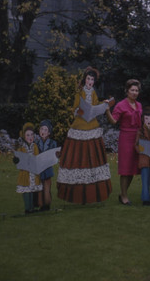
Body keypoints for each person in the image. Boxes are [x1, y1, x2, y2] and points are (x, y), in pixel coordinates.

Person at [57, 67, 112, 204]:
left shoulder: (93, 93)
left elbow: (95, 106)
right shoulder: (79, 93)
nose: (90, 81)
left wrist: (103, 105)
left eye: (92, 79)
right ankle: (74, 193)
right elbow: (74, 109)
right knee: (77, 156)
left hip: (92, 126)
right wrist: (79, 111)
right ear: (84, 79)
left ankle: (94, 192)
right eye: (88, 79)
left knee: (93, 156)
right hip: (79, 126)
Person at [106, 79, 142, 206]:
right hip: (126, 137)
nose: (134, 92)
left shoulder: (139, 105)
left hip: (137, 138)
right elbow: (114, 121)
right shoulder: (121, 105)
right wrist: (107, 111)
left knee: (133, 168)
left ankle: (123, 193)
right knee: (125, 168)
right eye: (132, 90)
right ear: (127, 91)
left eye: (136, 90)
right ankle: (124, 195)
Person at [15, 122, 43, 214]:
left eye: (31, 135)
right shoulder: (22, 148)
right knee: (26, 191)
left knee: (32, 190)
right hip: (25, 173)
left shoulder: (34, 146)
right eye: (28, 135)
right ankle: (27, 208)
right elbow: (18, 159)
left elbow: (37, 156)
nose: (30, 137)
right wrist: (16, 160)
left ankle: (32, 207)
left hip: (33, 173)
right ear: (24, 136)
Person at [36, 119, 57, 211]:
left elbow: (54, 155)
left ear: (49, 133)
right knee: (40, 185)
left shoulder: (52, 143)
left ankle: (47, 203)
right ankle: (41, 204)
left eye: (45, 130)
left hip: (47, 167)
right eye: (41, 129)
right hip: (39, 168)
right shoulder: (36, 143)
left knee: (47, 186)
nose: (43, 132)